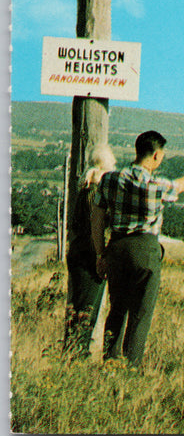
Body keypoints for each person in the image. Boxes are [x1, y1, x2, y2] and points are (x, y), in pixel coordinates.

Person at [92, 130, 184, 367]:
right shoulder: (155, 185)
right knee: (141, 314)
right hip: (145, 250)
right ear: (156, 155)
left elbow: (97, 219)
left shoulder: (108, 179)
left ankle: (109, 363)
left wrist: (101, 254)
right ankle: (132, 369)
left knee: (116, 308)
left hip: (116, 248)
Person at [63, 143, 117, 358]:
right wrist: (101, 255)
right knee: (87, 310)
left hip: (77, 252)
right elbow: (99, 228)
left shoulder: (85, 186)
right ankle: (76, 357)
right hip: (91, 256)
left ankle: (72, 354)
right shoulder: (98, 191)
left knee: (77, 308)